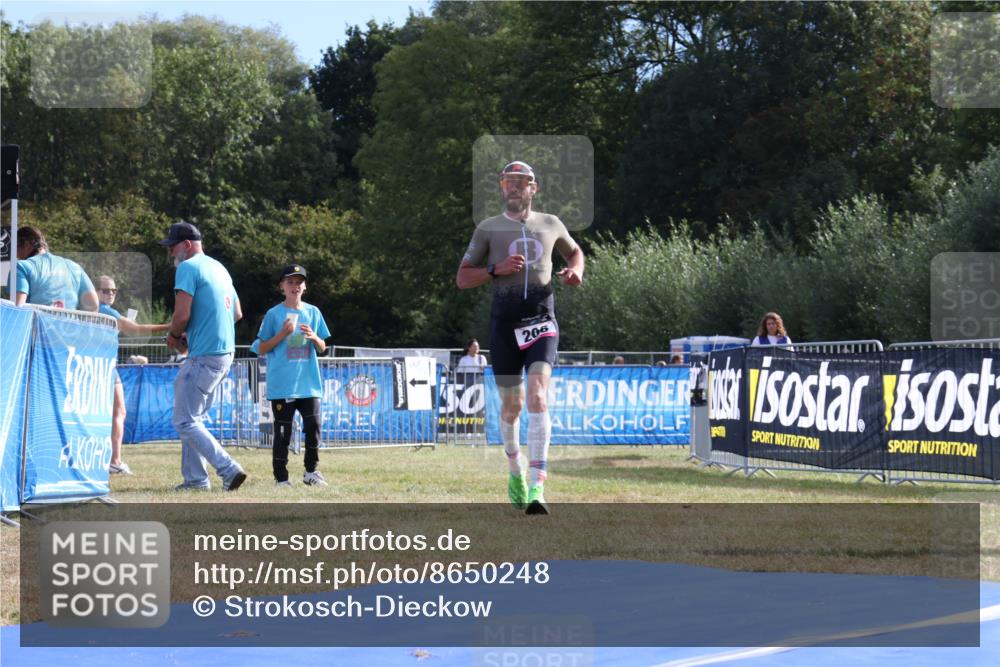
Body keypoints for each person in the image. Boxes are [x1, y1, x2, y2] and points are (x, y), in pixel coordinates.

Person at [457, 160, 584, 515]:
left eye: (522, 182)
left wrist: (575, 270)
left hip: (542, 321)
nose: (515, 187)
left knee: (538, 396)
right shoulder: (488, 228)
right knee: (511, 408)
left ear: (534, 187)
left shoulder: (551, 223)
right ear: (501, 187)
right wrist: (495, 269)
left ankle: (538, 487)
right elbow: (463, 278)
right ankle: (515, 472)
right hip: (504, 326)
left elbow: (574, 251)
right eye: (509, 181)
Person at [161, 221, 247, 492]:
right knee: (192, 419)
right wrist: (201, 331)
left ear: (187, 245)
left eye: (173, 247)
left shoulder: (188, 267)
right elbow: (236, 314)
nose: (171, 254)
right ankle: (196, 480)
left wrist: (175, 335)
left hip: (204, 356)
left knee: (184, 421)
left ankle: (228, 468)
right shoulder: (219, 268)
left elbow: (182, 315)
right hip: (224, 352)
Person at [254, 264, 331, 488]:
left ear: (305, 287)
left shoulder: (313, 312)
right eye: (290, 282)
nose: (295, 286)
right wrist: (283, 334)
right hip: (283, 385)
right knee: (282, 432)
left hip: (308, 384)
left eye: (299, 282)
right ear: (282, 287)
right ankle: (282, 478)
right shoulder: (273, 314)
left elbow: (322, 347)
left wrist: (314, 337)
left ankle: (311, 472)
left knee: (314, 427)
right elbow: (261, 348)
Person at [96, 275, 171, 475]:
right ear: (95, 292)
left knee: (111, 413)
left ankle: (109, 459)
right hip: (104, 367)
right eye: (105, 290)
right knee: (118, 412)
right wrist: (171, 326)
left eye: (113, 290)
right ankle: (115, 461)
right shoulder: (104, 310)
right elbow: (136, 329)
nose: (110, 294)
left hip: (98, 365)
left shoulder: (95, 309)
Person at [14, 226, 98, 311]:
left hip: (36, 324)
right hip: (69, 323)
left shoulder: (21, 267)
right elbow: (93, 304)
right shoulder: (74, 267)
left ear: (26, 245)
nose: (17, 255)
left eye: (16, 248)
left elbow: (17, 307)